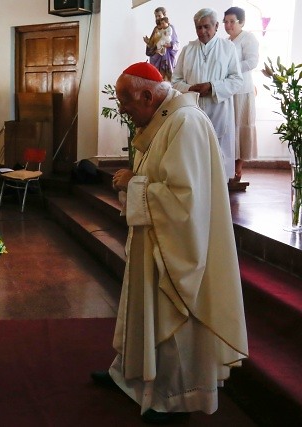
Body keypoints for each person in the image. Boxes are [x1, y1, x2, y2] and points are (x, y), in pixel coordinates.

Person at [91, 62, 248, 424]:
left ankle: (175, 399)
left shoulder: (185, 123)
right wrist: (136, 183)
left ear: (147, 95)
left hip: (176, 247)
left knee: (172, 317)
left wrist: (133, 184)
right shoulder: (162, 119)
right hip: (155, 238)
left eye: (126, 101)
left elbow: (185, 201)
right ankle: (129, 378)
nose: (124, 109)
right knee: (144, 310)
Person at [172, 8, 243, 181]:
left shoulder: (228, 48)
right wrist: (190, 88)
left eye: (206, 27)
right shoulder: (188, 50)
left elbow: (236, 80)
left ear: (216, 26)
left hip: (218, 111)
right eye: (198, 27)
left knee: (217, 160)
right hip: (192, 110)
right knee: (193, 158)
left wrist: (212, 87)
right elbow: (175, 81)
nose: (202, 31)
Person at [224, 6, 259, 182]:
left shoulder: (248, 38)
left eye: (232, 21)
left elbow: (252, 61)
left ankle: (238, 166)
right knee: (230, 127)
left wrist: (233, 69)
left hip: (243, 89)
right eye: (226, 22)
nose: (228, 25)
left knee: (241, 126)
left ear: (241, 22)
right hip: (228, 90)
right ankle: (228, 165)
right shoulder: (225, 41)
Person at [144, 7, 179, 81]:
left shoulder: (170, 28)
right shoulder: (155, 29)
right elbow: (152, 44)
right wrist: (148, 43)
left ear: (164, 15)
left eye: (159, 16)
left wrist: (170, 45)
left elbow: (176, 43)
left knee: (166, 81)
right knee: (156, 80)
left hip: (167, 58)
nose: (157, 18)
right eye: (156, 16)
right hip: (156, 59)